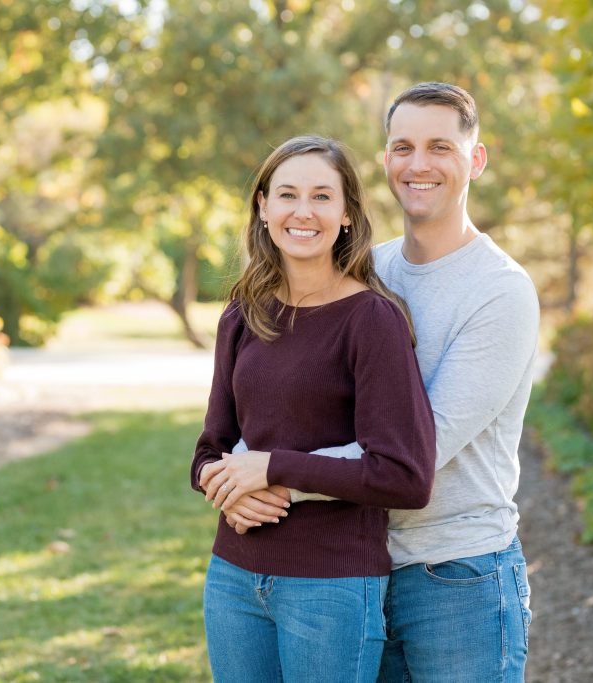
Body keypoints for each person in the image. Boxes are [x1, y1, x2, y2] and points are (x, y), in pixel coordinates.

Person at [225, 83, 540, 681]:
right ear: (386, 160)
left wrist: (271, 477)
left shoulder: (500, 291)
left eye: (440, 147)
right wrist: (242, 468)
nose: (419, 164)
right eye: (403, 147)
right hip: (355, 566)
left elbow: (418, 453)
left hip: (455, 575)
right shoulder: (370, 272)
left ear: (475, 160)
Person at [191, 135, 437, 683]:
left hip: (331, 587)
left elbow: (405, 476)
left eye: (322, 197)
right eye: (287, 195)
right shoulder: (242, 312)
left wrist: (272, 468)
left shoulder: (372, 320)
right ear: (263, 206)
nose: (303, 212)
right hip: (234, 577)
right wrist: (221, 484)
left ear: (347, 213)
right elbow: (209, 448)